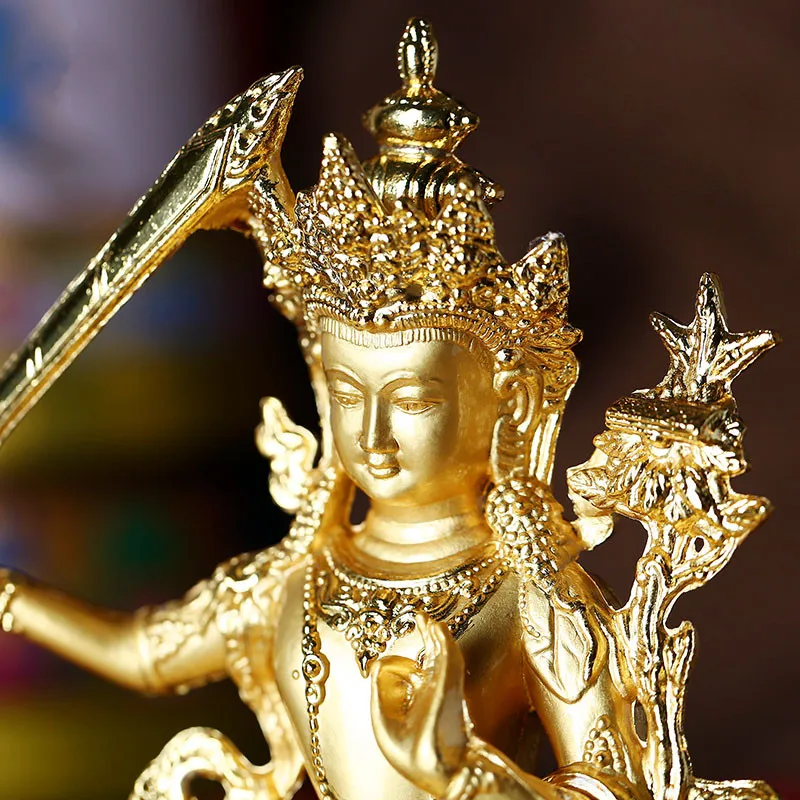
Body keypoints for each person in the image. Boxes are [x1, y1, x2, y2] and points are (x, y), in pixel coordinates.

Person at [0, 18, 779, 800]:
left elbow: (611, 787)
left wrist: (467, 779)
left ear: (508, 405)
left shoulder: (531, 598)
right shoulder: (293, 580)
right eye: (348, 395)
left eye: (411, 399)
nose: (372, 435)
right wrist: (17, 600)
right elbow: (145, 653)